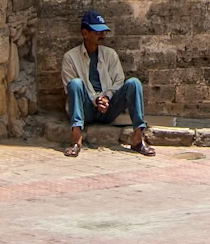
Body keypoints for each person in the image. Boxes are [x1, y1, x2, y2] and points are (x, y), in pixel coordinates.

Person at [62, 10, 154, 157]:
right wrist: (96, 100)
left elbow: (118, 81)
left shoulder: (110, 54)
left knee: (134, 83)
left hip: (108, 107)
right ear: (85, 33)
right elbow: (70, 89)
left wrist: (106, 97)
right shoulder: (70, 58)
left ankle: (138, 139)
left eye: (103, 32)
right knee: (75, 84)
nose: (102, 35)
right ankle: (76, 140)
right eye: (97, 32)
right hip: (86, 109)